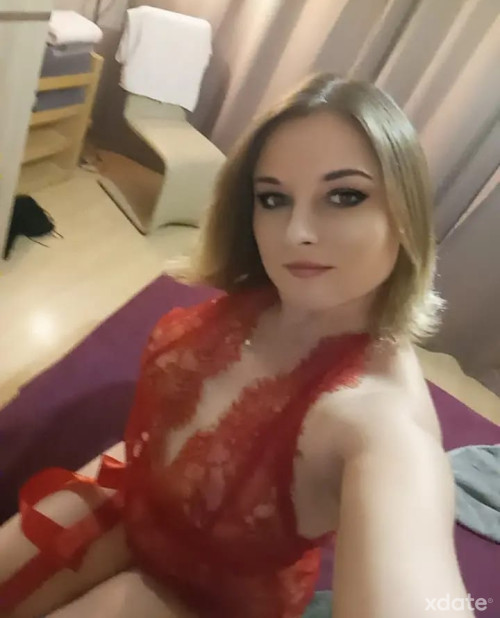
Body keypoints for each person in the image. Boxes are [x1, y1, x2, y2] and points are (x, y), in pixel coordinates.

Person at [0, 73, 473, 618]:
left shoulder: (381, 423)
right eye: (273, 198)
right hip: (137, 496)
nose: (295, 232)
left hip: (212, 596)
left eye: (344, 196)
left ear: (405, 213)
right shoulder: (264, 294)